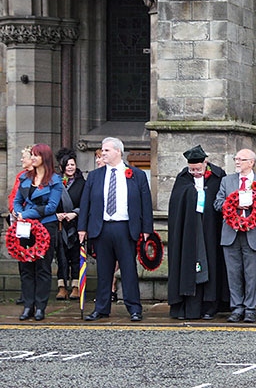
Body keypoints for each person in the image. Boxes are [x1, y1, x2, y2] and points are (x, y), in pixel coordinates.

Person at [79, 137, 154, 322]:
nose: (102, 154)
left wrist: (146, 229)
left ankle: (134, 308)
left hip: (125, 227)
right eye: (102, 151)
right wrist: (82, 228)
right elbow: (85, 203)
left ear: (118, 152)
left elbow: (146, 203)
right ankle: (101, 308)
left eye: (106, 150)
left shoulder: (136, 174)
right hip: (102, 227)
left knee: (129, 270)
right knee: (104, 271)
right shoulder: (95, 176)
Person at [214, 149, 256, 323]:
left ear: (252, 162)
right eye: (236, 159)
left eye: (242, 159)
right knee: (233, 273)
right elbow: (217, 203)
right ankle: (236, 308)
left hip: (252, 234)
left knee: (251, 274)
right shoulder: (227, 181)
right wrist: (231, 203)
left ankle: (250, 309)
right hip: (230, 234)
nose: (237, 162)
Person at [168, 145, 229, 320]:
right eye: (192, 169)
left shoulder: (218, 176)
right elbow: (176, 204)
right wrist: (192, 194)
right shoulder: (182, 178)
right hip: (189, 231)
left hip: (211, 230)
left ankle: (210, 305)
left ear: (205, 163)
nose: (195, 172)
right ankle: (187, 306)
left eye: (198, 169)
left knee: (212, 263)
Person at [13, 144, 63, 321]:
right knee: (25, 267)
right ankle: (28, 306)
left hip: (45, 226)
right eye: (31, 155)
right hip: (25, 227)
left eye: (35, 155)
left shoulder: (55, 181)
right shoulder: (25, 178)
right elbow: (18, 201)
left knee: (42, 267)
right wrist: (18, 213)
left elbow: (51, 207)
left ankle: (40, 307)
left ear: (45, 158)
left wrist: (25, 214)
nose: (32, 158)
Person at [54, 148, 86, 301]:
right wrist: (57, 215)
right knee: (61, 257)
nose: (70, 167)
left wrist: (76, 212)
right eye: (67, 165)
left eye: (72, 164)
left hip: (76, 224)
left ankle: (75, 286)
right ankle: (61, 286)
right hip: (60, 224)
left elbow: (86, 203)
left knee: (75, 256)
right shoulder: (55, 182)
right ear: (62, 167)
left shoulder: (82, 182)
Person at [8, 145, 33, 305]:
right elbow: (13, 196)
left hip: (34, 222)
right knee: (22, 258)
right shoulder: (20, 176)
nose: (22, 159)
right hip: (21, 223)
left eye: (24, 156)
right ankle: (25, 293)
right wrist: (14, 210)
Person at [94, 148, 118, 302]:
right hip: (99, 226)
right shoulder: (94, 177)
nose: (98, 161)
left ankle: (113, 287)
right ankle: (104, 295)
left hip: (120, 224)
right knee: (103, 263)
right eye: (97, 157)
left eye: (101, 157)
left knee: (117, 260)